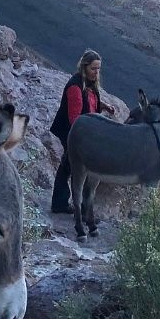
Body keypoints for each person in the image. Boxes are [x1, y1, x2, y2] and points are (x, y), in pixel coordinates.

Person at [50, 49, 115, 214]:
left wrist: (104, 106)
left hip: (83, 132)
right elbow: (75, 120)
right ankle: (71, 207)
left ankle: (64, 204)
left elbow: (90, 104)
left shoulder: (89, 83)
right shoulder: (75, 86)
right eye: (94, 68)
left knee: (69, 167)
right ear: (85, 67)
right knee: (73, 168)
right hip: (72, 132)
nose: (97, 72)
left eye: (99, 69)